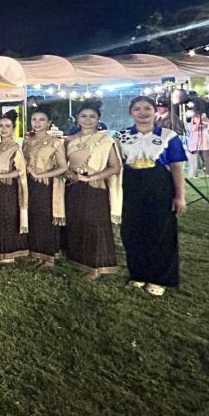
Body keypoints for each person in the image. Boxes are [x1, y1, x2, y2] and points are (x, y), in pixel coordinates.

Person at [116, 96, 187, 296]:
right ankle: (137, 274)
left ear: (155, 111)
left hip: (159, 184)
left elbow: (176, 167)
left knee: (160, 232)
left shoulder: (168, 136)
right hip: (131, 184)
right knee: (132, 231)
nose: (142, 112)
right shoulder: (121, 136)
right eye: (137, 109)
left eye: (147, 108)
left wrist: (180, 196)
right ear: (131, 112)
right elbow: (116, 164)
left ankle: (159, 279)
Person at [64, 100, 122, 281]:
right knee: (77, 224)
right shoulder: (69, 140)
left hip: (95, 188)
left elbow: (115, 167)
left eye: (92, 117)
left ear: (98, 119)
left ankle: (97, 266)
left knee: (95, 225)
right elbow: (63, 164)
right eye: (83, 116)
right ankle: (80, 260)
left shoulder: (105, 141)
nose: (87, 120)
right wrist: (69, 174)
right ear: (77, 118)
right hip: (73, 188)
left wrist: (91, 177)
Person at [22, 105, 67, 268]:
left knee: (45, 219)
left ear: (49, 122)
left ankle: (48, 258)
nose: (37, 123)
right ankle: (36, 253)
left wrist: (41, 175)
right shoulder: (27, 141)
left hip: (45, 186)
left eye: (41, 120)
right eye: (34, 119)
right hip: (29, 184)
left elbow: (63, 167)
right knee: (33, 218)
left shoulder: (55, 142)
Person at [0, 110, 29, 264]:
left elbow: (20, 171)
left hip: (8, 188)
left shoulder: (15, 148)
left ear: (13, 129)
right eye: (1, 126)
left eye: (7, 126)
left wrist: (0, 176)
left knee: (7, 219)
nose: (4, 129)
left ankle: (9, 255)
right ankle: (0, 252)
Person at [188, 111, 209, 178]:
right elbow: (193, 128)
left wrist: (208, 123)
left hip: (204, 143)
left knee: (208, 159)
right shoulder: (192, 121)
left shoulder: (205, 120)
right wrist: (199, 121)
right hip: (194, 144)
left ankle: (208, 173)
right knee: (194, 160)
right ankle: (194, 175)